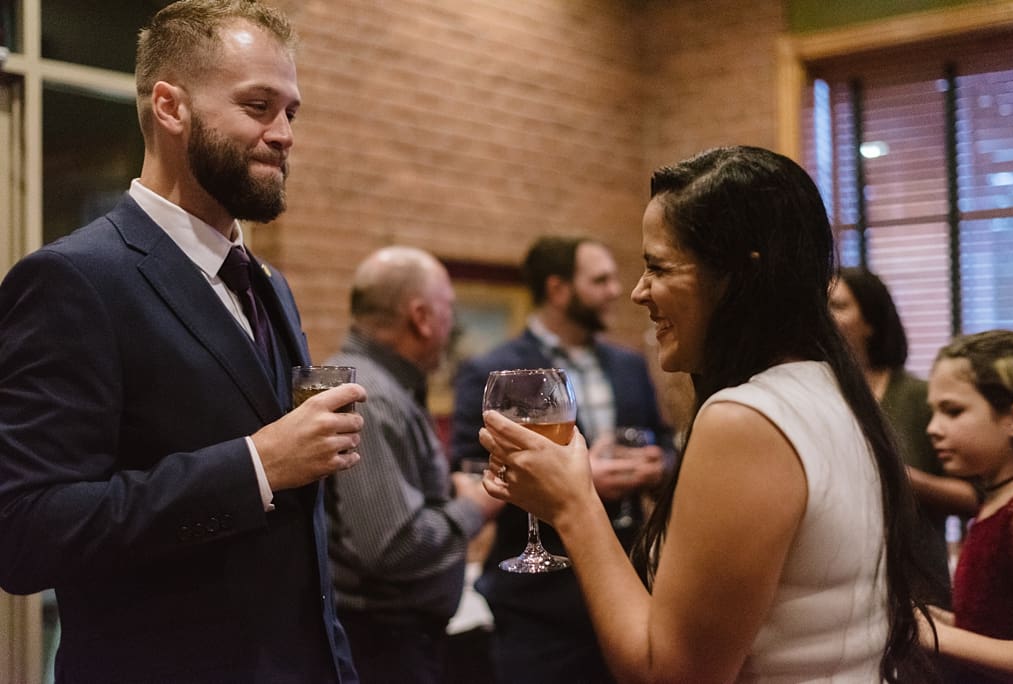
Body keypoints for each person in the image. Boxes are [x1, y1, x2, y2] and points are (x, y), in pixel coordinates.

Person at [0, 2, 364, 681]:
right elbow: (24, 533)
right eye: (258, 106)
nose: (283, 133)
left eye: (291, 112)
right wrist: (254, 466)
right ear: (171, 107)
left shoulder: (267, 284)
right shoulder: (73, 280)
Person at [478, 146, 936, 682]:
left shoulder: (745, 420)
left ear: (740, 276)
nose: (637, 292)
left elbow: (670, 674)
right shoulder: (828, 386)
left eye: (658, 267)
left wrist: (574, 504)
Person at [451, 235, 674, 683]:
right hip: (537, 605)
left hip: (631, 584)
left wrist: (658, 465)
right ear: (558, 290)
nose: (617, 290)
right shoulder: (494, 369)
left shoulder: (627, 364)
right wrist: (579, 480)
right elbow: (470, 471)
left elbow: (666, 443)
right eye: (601, 280)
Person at [322, 246, 503, 683]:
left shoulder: (374, 382)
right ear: (421, 317)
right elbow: (392, 546)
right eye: (448, 312)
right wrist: (478, 506)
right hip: (384, 645)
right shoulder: (373, 396)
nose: (452, 326)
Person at [830, 267, 978, 605]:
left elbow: (977, 498)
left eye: (838, 306)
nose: (825, 317)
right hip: (842, 594)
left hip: (917, 592)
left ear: (871, 321)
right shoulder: (816, 395)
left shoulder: (919, 398)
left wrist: (902, 478)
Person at [916, 329, 1013, 682]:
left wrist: (939, 635)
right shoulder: (998, 500)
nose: (933, 428)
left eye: (953, 411)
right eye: (933, 412)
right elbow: (993, 626)